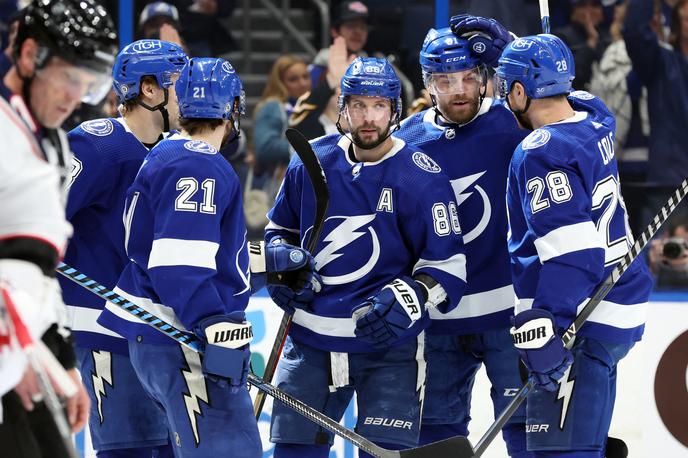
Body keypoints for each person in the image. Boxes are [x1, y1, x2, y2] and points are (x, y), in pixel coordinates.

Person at [94, 56, 316, 457]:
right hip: (184, 341)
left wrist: (269, 260)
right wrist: (216, 325)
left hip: (157, 340)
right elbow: (179, 265)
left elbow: (195, 250)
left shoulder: (169, 153)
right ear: (233, 108)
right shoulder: (201, 165)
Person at [266, 56, 468, 458]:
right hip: (309, 341)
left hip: (388, 349)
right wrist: (281, 267)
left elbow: (449, 268)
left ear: (394, 111)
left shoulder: (422, 177)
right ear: (343, 109)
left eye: (378, 106)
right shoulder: (312, 162)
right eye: (358, 105)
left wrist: (414, 295)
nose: (368, 117)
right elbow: (278, 233)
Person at [496, 34, 653, 456]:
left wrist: (549, 328)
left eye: (504, 88)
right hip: (619, 302)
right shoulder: (595, 120)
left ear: (518, 91)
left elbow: (574, 255)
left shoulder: (540, 152)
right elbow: (574, 96)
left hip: (583, 316)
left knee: (562, 452)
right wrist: (518, 48)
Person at [394, 21, 531, 457]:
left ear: (486, 76)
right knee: (436, 439)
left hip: (511, 315)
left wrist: (516, 53)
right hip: (438, 320)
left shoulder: (516, 120)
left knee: (529, 434)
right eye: (445, 80)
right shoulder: (405, 140)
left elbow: (582, 117)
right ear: (427, 83)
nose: (459, 90)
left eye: (469, 77)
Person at [60, 38, 189, 458]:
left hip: (150, 333)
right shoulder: (100, 145)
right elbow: (45, 219)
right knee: (129, 451)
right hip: (102, 332)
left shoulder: (172, 152)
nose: (186, 95)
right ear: (148, 90)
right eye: (177, 83)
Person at [0, 0, 117, 456]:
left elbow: (40, 282)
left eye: (89, 84)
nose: (76, 96)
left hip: (19, 353)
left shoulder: (55, 145)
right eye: (69, 77)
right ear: (30, 57)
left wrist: (64, 368)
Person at [624, 0, 688, 224]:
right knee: (658, 256)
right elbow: (635, 33)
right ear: (677, 25)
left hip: (668, 179)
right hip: (670, 187)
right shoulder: (663, 64)